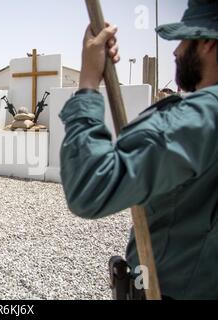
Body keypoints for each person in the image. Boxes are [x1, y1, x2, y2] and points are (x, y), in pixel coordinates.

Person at [59, 0, 218, 300]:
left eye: (184, 40)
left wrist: (89, 82)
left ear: (208, 42)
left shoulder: (201, 116)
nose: (176, 50)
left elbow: (89, 187)